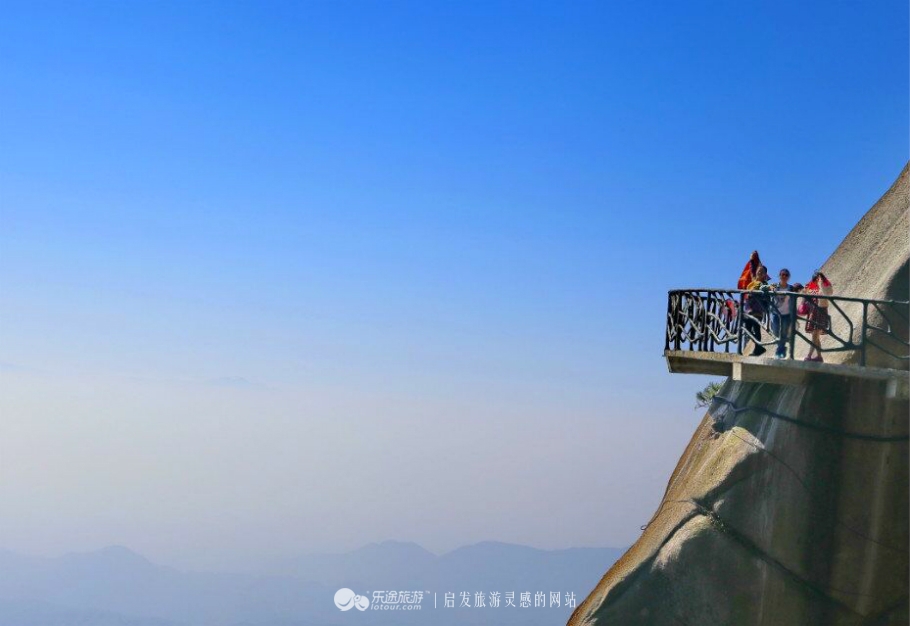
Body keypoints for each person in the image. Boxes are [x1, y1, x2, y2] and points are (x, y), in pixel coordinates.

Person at [803, 270, 833, 362]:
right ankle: (819, 357)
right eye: (816, 279)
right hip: (813, 312)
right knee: (816, 336)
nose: (817, 280)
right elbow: (805, 294)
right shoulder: (811, 286)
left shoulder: (825, 285)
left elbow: (828, 293)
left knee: (815, 335)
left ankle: (809, 355)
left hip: (821, 311)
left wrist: (821, 283)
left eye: (819, 278)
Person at [744, 265, 772, 356]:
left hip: (757, 310)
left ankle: (758, 348)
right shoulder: (752, 283)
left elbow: (766, 296)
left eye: (762, 271)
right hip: (749, 309)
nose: (759, 272)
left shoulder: (764, 284)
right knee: (747, 329)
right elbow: (747, 292)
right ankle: (759, 347)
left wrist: (757, 292)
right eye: (758, 270)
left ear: (765, 274)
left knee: (756, 328)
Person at [770, 269, 795, 358]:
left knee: (784, 332)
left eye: (786, 275)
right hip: (776, 313)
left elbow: (800, 291)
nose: (784, 276)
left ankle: (780, 351)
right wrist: (769, 289)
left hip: (786, 314)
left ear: (788, 277)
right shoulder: (775, 286)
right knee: (776, 331)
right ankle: (781, 349)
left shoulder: (791, 288)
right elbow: (766, 288)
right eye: (782, 275)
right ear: (779, 276)